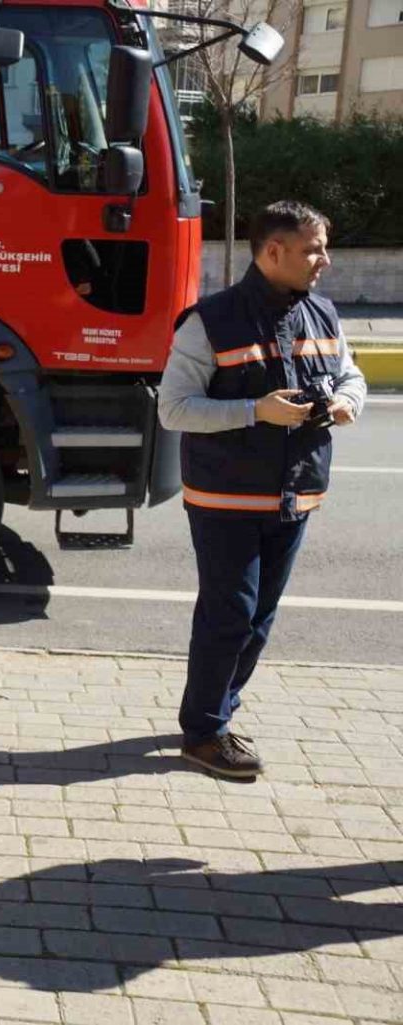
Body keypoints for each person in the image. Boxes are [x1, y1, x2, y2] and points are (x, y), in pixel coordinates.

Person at [159, 199, 366, 780]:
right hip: (226, 498)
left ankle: (215, 711)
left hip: (295, 495)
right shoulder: (210, 320)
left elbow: (351, 374)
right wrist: (257, 410)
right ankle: (203, 735)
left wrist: (345, 401)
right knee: (230, 615)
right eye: (313, 250)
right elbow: (173, 409)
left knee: (258, 620)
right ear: (273, 251)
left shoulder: (322, 313)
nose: (324, 260)